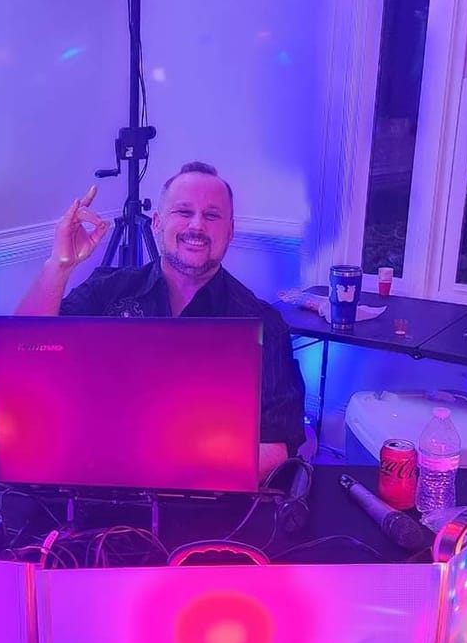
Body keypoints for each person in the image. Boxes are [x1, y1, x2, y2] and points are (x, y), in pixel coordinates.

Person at [16, 161, 307, 478]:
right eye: (183, 211)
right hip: (98, 481)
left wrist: (165, 471)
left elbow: (276, 449)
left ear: (231, 230)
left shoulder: (263, 322)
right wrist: (59, 264)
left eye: (212, 215)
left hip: (207, 491)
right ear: (157, 222)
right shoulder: (107, 291)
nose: (197, 225)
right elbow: (25, 352)